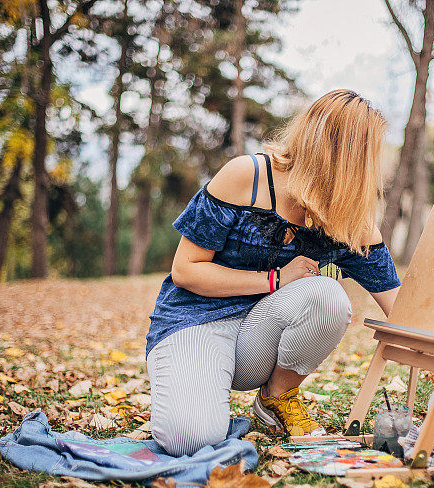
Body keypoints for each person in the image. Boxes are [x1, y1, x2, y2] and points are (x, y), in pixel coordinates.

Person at [145, 89, 402, 457]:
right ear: (346, 156)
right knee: (191, 441)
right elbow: (185, 271)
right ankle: (196, 391)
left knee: (327, 296)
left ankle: (275, 397)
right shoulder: (246, 175)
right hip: (195, 321)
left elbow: (400, 307)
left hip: (257, 340)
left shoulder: (350, 220)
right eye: (370, 155)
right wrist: (276, 279)